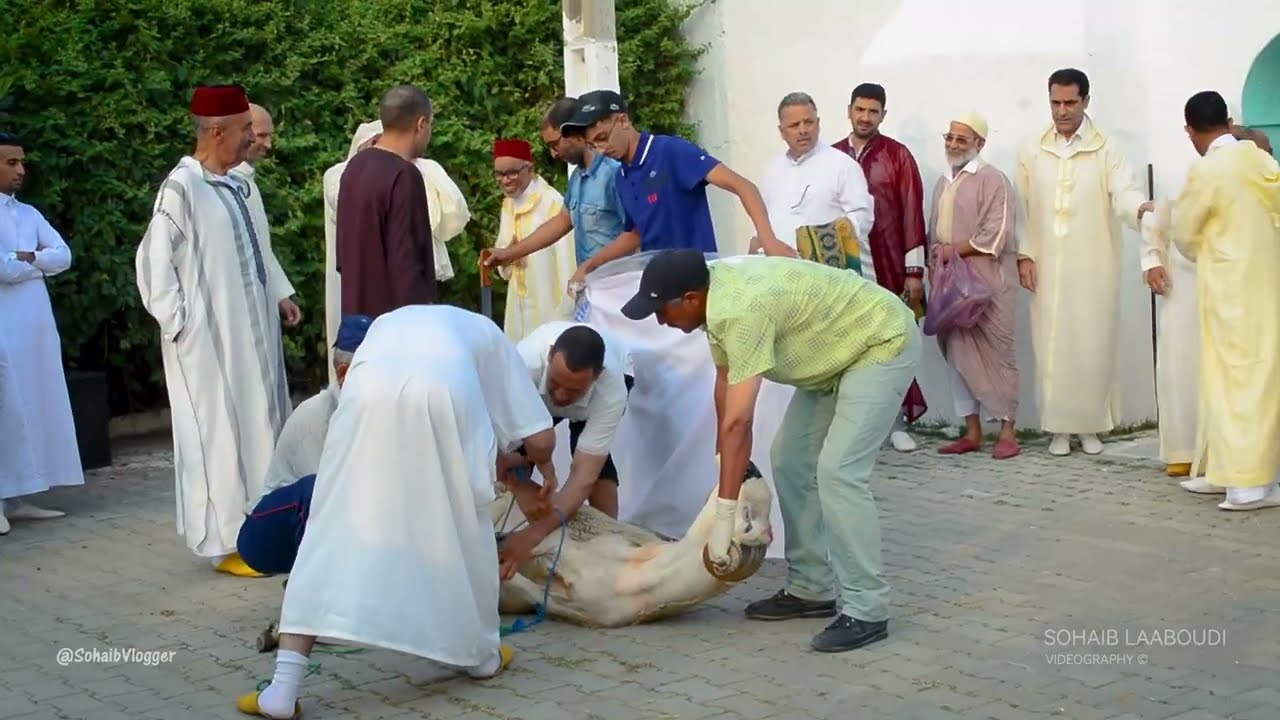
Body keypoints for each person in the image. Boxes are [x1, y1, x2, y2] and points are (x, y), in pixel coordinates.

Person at [236, 305, 560, 719]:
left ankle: (282, 689)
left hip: (365, 393)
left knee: (327, 529)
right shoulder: (490, 335)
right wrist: (546, 468)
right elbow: (540, 437)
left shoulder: (394, 324)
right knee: (463, 524)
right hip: (443, 394)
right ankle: (482, 656)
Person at [619, 249, 921, 653]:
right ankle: (811, 587)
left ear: (691, 298)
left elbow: (739, 422)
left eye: (661, 310)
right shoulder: (714, 297)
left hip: (880, 340)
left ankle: (868, 609)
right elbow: (725, 384)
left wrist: (723, 519)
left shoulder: (741, 310)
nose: (660, 320)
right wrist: (725, 465)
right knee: (790, 461)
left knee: (838, 473)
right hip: (836, 352)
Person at [135, 85, 301, 576]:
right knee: (221, 438)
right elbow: (152, 263)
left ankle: (265, 535)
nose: (252, 138)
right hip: (209, 346)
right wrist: (181, 325)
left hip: (254, 338)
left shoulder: (238, 184)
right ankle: (228, 543)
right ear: (215, 131)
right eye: (245, 129)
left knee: (263, 430)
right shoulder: (182, 187)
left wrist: (278, 293)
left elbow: (258, 248)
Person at [1015, 68, 1152, 457]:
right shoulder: (1033, 148)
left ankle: (1091, 426)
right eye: (1055, 103)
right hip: (1046, 267)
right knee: (1051, 346)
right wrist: (1025, 254)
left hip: (1095, 265)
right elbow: (1023, 208)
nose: (1062, 111)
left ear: (1086, 101)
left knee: (1093, 343)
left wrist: (1140, 209)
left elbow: (1123, 191)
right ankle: (1058, 429)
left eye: (1070, 103)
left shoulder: (1106, 147)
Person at [565, 89, 795, 290]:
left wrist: (767, 239)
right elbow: (635, 233)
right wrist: (591, 265)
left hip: (696, 285)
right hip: (659, 287)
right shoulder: (621, 176)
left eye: (603, 138)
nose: (602, 149)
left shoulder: (670, 152)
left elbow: (743, 186)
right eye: (594, 145)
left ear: (623, 121)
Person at [1170, 90, 1280, 510]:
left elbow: (1184, 232)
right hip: (1264, 283)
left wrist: (1209, 251)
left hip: (1227, 287)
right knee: (1252, 378)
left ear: (1189, 130)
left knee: (1235, 381)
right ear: (1229, 121)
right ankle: (1226, 472)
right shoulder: (1260, 159)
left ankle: (1248, 485)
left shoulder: (1207, 170)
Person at [323, 119, 470, 383]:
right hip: (398, 308)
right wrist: (418, 312)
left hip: (360, 294)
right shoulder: (402, 174)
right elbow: (406, 255)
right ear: (421, 124)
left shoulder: (355, 171)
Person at [832, 83, 929, 451]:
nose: (865, 117)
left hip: (889, 265)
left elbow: (912, 213)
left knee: (893, 341)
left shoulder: (897, 155)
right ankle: (852, 428)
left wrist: (914, 272)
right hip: (844, 267)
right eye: (860, 109)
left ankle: (897, 423)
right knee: (849, 344)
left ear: (883, 115)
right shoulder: (832, 156)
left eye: (873, 111)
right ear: (849, 110)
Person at [493, 321, 635, 573]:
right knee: (520, 447)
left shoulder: (612, 390)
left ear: (597, 376)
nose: (560, 396)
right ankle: (516, 515)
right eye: (555, 383)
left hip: (617, 370)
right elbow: (490, 440)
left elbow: (584, 475)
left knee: (592, 462)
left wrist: (532, 536)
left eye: (573, 390)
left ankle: (608, 540)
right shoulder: (522, 367)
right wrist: (521, 487)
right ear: (549, 356)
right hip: (533, 390)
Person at [236, 314, 372, 575]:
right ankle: (309, 589)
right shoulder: (317, 418)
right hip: (267, 532)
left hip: (315, 522)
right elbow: (333, 505)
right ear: (343, 374)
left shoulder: (374, 410)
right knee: (321, 492)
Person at [0, 131, 84, 535]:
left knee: (33, 402)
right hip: (5, 327)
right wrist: (36, 263)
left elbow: (63, 255)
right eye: (11, 162)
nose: (21, 170)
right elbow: (3, 269)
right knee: (7, 405)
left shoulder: (29, 213)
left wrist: (26, 258)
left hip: (34, 325)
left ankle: (17, 495)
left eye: (22, 162)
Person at [927, 113, 1021, 460]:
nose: (953, 145)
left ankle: (1008, 431)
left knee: (998, 355)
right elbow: (933, 232)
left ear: (979, 143)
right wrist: (936, 261)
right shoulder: (943, 181)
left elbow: (997, 233)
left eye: (961, 140)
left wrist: (953, 250)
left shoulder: (993, 179)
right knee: (958, 354)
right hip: (950, 283)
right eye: (949, 138)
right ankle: (972, 431)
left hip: (988, 283)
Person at [483, 97, 628, 279]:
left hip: (619, 283)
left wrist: (589, 267)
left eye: (555, 144)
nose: (553, 153)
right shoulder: (577, 177)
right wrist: (509, 254)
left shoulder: (614, 173)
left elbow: (634, 235)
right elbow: (563, 220)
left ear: (573, 132)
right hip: (592, 285)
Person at [336, 84, 436, 319]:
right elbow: (406, 261)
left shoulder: (355, 166)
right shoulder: (404, 175)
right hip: (394, 322)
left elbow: (342, 255)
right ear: (421, 124)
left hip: (356, 313)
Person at [758, 92, 873, 264]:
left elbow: (863, 217)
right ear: (782, 132)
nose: (803, 130)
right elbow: (765, 218)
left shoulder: (842, 165)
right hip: (782, 270)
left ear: (818, 124)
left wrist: (820, 237)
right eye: (794, 125)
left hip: (831, 270)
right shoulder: (774, 170)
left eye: (808, 122)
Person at [490, 138, 577, 341]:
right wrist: (507, 258)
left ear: (529, 169)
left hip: (550, 310)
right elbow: (504, 257)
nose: (505, 180)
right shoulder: (508, 205)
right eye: (499, 174)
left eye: (511, 172)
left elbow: (568, 266)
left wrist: (565, 316)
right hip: (518, 307)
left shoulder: (552, 204)